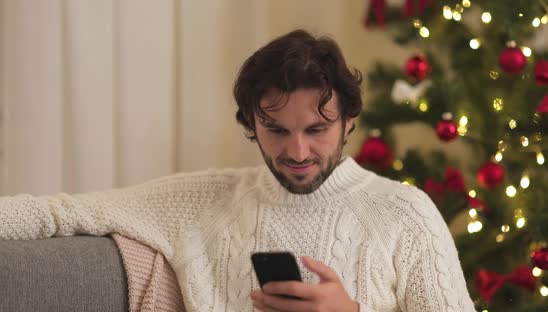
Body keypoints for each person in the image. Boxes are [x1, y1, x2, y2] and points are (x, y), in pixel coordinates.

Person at [0, 29, 475, 312]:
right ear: (252, 122)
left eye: (316, 128)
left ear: (349, 120)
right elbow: (60, 213)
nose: (298, 150)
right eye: (276, 129)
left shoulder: (403, 212)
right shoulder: (203, 200)